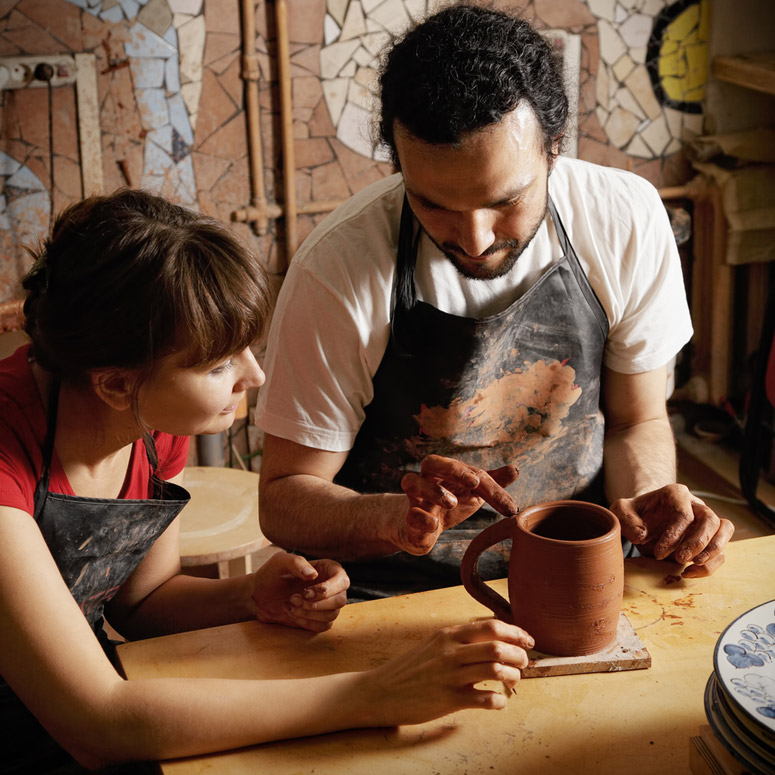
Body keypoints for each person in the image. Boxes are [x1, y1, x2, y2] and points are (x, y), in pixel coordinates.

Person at [0, 189, 535, 773]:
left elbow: (142, 602)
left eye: (247, 350)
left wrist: (252, 595)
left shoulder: (148, 413)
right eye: (218, 364)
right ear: (114, 384)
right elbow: (100, 722)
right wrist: (376, 693)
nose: (253, 375)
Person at [255, 4, 735, 601]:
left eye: (504, 201)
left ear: (554, 147)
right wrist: (394, 519)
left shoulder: (623, 219)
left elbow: (637, 420)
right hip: (400, 587)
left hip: (578, 561)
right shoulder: (339, 265)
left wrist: (649, 501)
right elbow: (284, 497)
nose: (475, 239)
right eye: (435, 205)